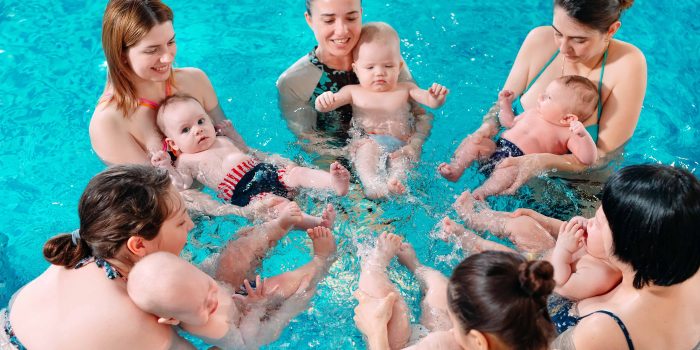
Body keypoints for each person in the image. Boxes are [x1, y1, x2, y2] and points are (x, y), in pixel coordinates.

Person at [444, 0, 646, 195]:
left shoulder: (627, 64)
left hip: (573, 191)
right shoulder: (539, 39)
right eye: (558, 33)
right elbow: (499, 109)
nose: (563, 48)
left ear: (611, 30)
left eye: (579, 40)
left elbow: (604, 157)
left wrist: (541, 162)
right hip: (503, 159)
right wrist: (487, 127)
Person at [89, 0, 260, 219]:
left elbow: (233, 147)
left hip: (231, 188)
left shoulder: (194, 80)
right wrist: (244, 213)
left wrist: (282, 169)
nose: (168, 57)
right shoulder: (109, 123)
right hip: (173, 219)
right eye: (152, 50)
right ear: (121, 54)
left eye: (171, 42)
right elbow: (165, 194)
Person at [2, 165, 196, 349]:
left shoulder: (80, 249)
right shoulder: (136, 322)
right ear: (138, 245)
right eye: (180, 222)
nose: (191, 225)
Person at [546, 164, 700, 349]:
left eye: (600, 221)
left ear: (628, 243)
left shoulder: (603, 329)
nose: (590, 222)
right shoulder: (684, 257)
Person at [151, 94, 350, 229]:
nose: (198, 129)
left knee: (297, 173)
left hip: (263, 170)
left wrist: (232, 133)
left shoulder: (221, 139)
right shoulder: (185, 161)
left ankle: (333, 183)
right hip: (245, 193)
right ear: (173, 144)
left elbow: (245, 150)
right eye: (185, 130)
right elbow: (182, 185)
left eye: (201, 121)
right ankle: (317, 223)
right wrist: (167, 166)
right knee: (277, 208)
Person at [127, 226, 337, 349]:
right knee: (295, 292)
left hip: (240, 301)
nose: (213, 299)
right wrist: (256, 308)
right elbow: (248, 340)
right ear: (173, 319)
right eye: (205, 306)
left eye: (209, 287)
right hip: (255, 326)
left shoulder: (186, 292)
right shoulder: (217, 329)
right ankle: (322, 260)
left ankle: (279, 225)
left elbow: (204, 272)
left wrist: (219, 261)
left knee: (232, 256)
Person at [277, 0, 433, 162]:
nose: (342, 31)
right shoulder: (294, 82)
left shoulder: (385, 60)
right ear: (309, 20)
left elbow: (421, 115)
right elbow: (308, 140)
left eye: (351, 18)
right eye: (329, 20)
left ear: (361, 13)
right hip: (333, 161)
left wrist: (414, 145)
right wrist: (351, 152)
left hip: (396, 154)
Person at [315, 22, 448, 198]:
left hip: (401, 144)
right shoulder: (353, 91)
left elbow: (429, 101)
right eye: (370, 67)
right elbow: (330, 103)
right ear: (356, 69)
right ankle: (372, 185)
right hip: (370, 140)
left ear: (399, 66)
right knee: (365, 154)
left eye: (388, 66)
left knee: (403, 161)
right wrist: (322, 101)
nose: (379, 73)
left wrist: (436, 98)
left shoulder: (405, 88)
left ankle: (395, 183)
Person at [355, 238, 556, 350]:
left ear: (479, 341)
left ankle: (373, 265)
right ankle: (417, 267)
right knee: (442, 290)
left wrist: (376, 331)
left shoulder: (442, 343)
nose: (450, 330)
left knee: (390, 308)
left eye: (454, 325)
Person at [443, 191, 622, 301]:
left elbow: (560, 284)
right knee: (523, 223)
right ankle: (477, 219)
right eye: (595, 217)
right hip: (548, 253)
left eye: (597, 223)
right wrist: (541, 219)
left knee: (506, 258)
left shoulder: (602, 274)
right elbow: (562, 229)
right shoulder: (596, 242)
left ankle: (468, 239)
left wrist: (565, 250)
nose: (590, 222)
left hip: (536, 278)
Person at [439, 76, 597, 200]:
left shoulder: (568, 132)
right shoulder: (533, 112)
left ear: (567, 118)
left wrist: (583, 135)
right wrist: (505, 105)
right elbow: (509, 123)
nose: (541, 96)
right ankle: (456, 169)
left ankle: (482, 192)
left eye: (548, 98)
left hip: (517, 162)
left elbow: (587, 159)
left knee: (508, 172)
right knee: (477, 142)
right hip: (497, 147)